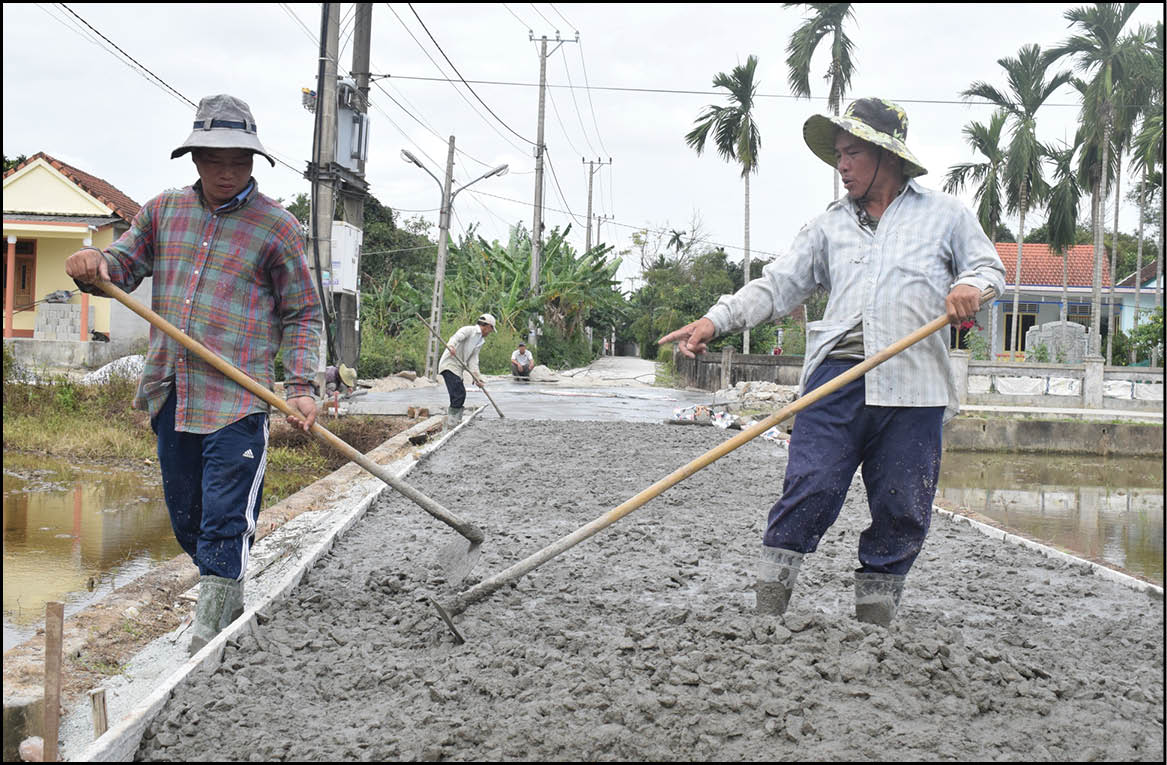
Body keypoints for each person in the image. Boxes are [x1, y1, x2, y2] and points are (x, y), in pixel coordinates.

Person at [660, 97, 1005, 627]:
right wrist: (714, 320)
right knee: (811, 487)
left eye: (852, 153)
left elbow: (989, 270)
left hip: (914, 386)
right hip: (837, 379)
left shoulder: (945, 216)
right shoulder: (830, 226)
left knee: (903, 506)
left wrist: (968, 286)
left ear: (887, 156)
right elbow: (778, 285)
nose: (840, 165)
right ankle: (767, 617)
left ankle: (874, 628)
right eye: (838, 154)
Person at [64, 94, 323, 654]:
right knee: (187, 515)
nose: (227, 172)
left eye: (239, 161)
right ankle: (227, 600)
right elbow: (123, 267)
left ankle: (211, 631)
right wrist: (94, 264)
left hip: (239, 396)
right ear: (195, 159)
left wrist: (301, 387)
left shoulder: (277, 228)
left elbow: (303, 312)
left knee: (227, 513)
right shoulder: (163, 212)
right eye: (215, 159)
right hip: (172, 389)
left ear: (254, 163)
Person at [438, 313, 496, 429]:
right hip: (450, 364)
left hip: (457, 368)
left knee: (459, 395)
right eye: (491, 329)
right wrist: (451, 346)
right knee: (459, 394)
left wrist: (477, 378)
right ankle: (452, 423)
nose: (490, 333)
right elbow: (456, 337)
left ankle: (454, 421)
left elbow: (473, 361)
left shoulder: (480, 341)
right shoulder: (469, 330)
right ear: (487, 326)